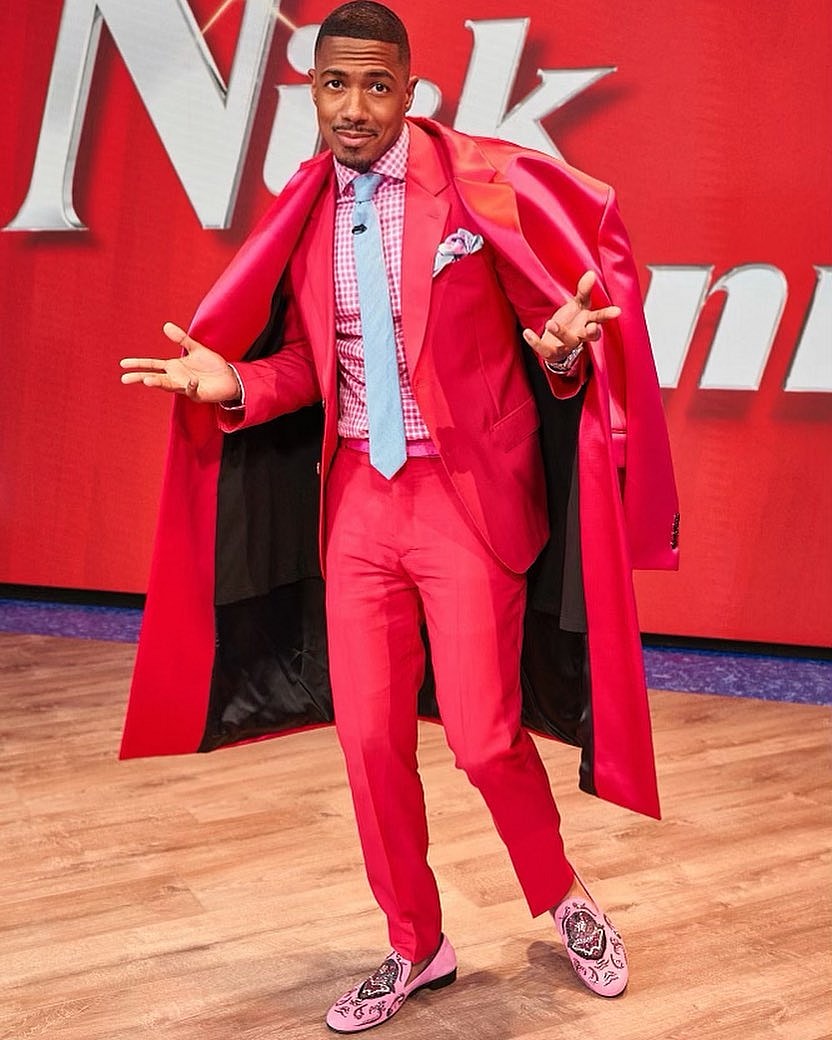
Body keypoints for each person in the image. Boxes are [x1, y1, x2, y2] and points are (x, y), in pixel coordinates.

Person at [120, 2, 679, 1032]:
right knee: (368, 736)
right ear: (312, 92)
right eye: (336, 84)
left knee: (480, 735)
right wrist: (230, 380)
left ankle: (561, 894)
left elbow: (540, 342)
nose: (355, 106)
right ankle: (414, 941)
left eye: (377, 85)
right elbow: (309, 367)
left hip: (464, 500)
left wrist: (559, 348)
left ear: (409, 92)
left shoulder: (472, 187)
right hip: (360, 508)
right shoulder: (305, 214)